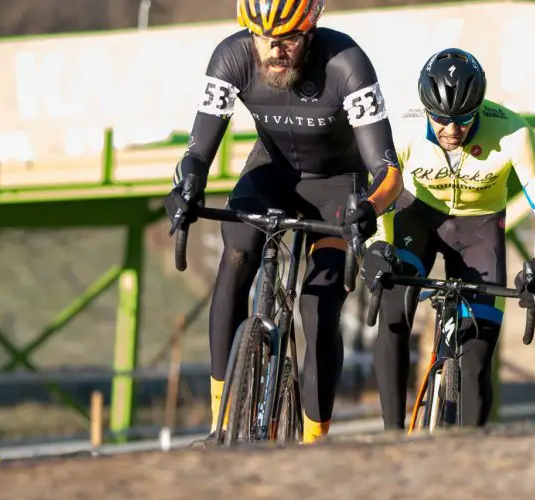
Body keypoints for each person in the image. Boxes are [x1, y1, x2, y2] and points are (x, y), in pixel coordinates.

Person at [164, 0, 403, 445]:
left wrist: (369, 208)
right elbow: (197, 153)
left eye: (288, 39)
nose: (275, 50)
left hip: (337, 185)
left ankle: (314, 441)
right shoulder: (231, 57)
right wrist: (187, 185)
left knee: (318, 308)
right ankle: (221, 424)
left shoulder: (347, 63)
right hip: (272, 171)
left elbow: (388, 172)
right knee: (236, 256)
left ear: (310, 31)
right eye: (263, 39)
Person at [360, 48, 535, 430]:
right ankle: (392, 435)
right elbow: (381, 195)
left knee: (477, 357)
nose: (451, 130)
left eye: (463, 119)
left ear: (480, 107)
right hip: (415, 218)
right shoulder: (401, 129)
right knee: (393, 314)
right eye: (440, 120)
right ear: (425, 109)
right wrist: (377, 246)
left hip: (479, 229)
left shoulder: (514, 134)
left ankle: (470, 459)